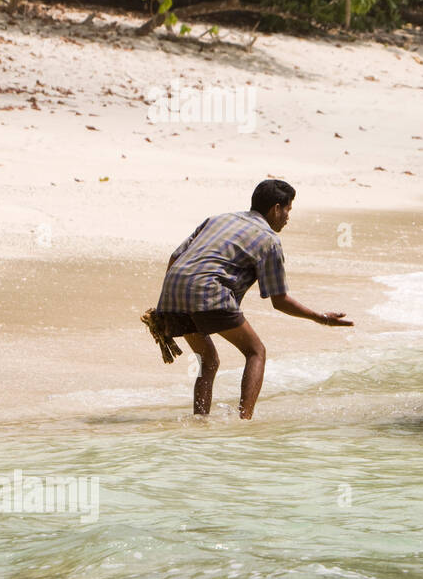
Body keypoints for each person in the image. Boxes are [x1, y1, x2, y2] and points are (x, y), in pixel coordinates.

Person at [145, 179, 353, 419]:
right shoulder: (269, 240)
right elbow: (279, 300)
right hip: (208, 290)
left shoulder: (218, 219)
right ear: (276, 208)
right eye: (287, 210)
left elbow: (175, 256)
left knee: (208, 359)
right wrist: (320, 318)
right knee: (256, 352)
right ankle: (244, 422)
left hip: (172, 292)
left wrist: (170, 303)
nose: (287, 217)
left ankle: (199, 421)